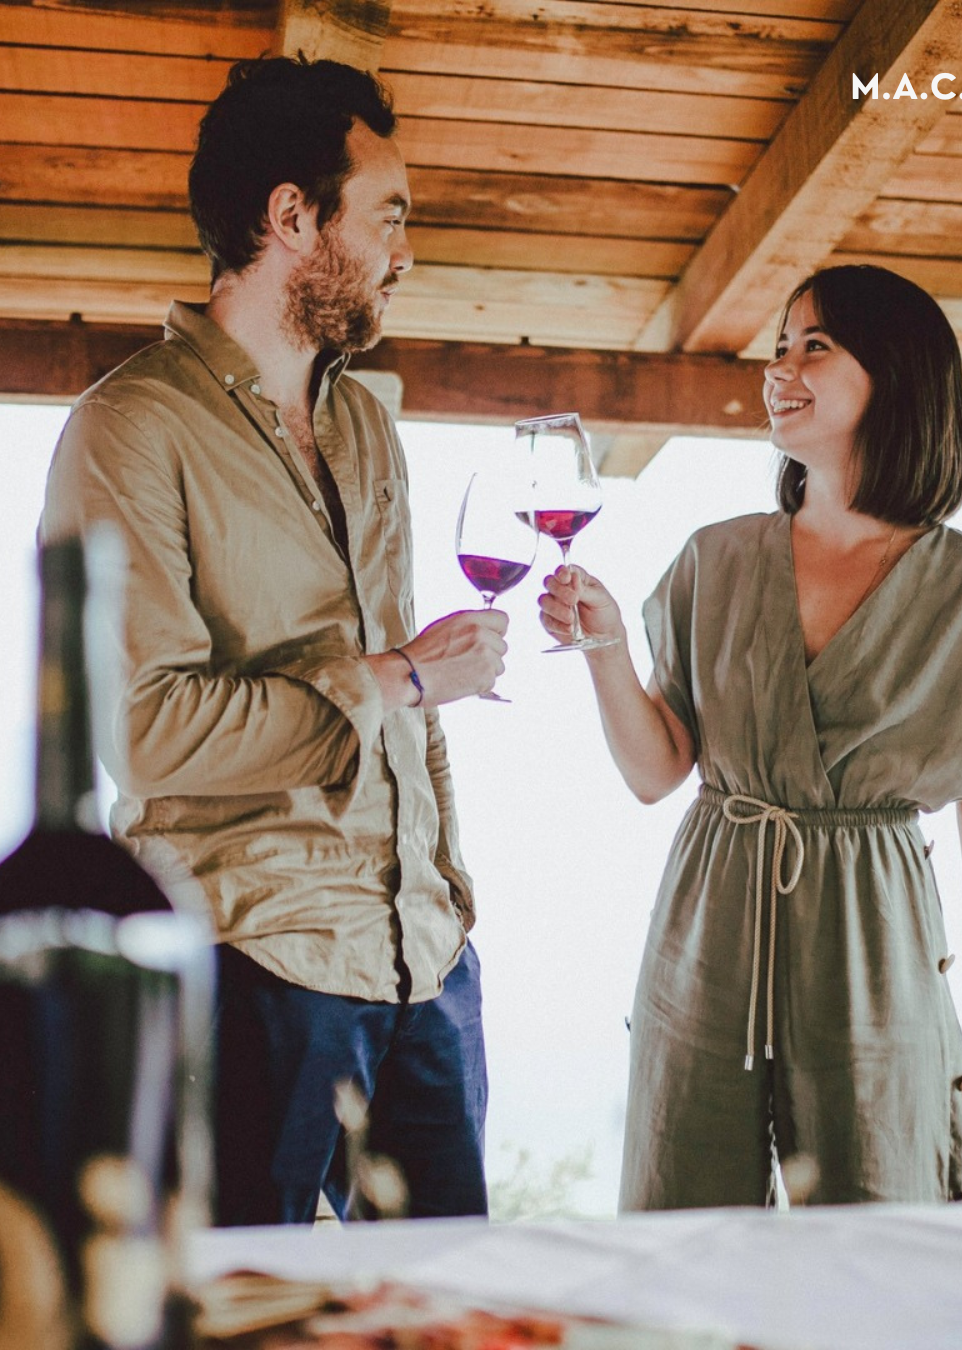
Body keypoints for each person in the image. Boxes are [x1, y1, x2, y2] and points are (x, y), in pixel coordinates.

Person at [39, 56, 509, 1225]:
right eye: (390, 215)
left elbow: (412, 698)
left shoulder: (365, 426)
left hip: (427, 963)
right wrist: (395, 675)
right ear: (293, 217)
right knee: (246, 1311)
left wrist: (447, 891)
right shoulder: (128, 429)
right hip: (252, 969)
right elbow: (144, 735)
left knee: (456, 1308)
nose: (408, 251)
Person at [539, 264, 962, 1208]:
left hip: (875, 940)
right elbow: (658, 773)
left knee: (880, 1233)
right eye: (780, 344)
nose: (782, 366)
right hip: (709, 931)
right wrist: (605, 650)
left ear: (896, 374)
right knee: (682, 1229)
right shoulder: (716, 556)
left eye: (815, 344)